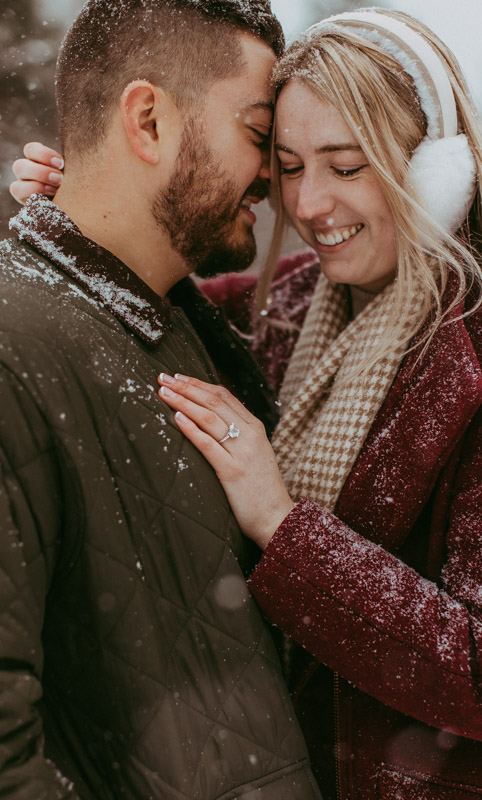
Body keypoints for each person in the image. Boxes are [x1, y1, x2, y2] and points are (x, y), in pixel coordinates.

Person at [11, 8, 482, 800]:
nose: (309, 202)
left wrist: (285, 527)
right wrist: (80, 196)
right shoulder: (285, 310)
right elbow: (146, 285)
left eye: (346, 165)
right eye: (286, 163)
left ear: (435, 171)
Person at [0, 1, 323, 798]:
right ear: (147, 119)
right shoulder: (15, 347)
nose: (273, 177)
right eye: (257, 135)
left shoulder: (172, 319)